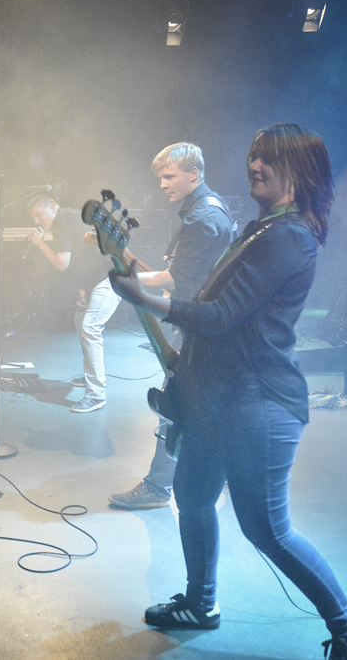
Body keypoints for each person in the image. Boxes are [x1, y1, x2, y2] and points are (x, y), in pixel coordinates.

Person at [108, 124, 347, 660]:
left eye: (270, 158)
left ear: (298, 172)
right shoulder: (262, 228)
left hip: (258, 401)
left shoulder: (288, 235)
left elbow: (221, 315)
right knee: (191, 495)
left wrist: (147, 299)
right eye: (253, 155)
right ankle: (200, 603)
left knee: (267, 528)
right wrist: (145, 284)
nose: (254, 164)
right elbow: (211, 296)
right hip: (218, 396)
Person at [109, 142, 235, 510]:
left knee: (173, 406)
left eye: (169, 176)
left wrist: (129, 283)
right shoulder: (208, 208)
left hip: (201, 329)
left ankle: (157, 488)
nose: (162, 184)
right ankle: (210, 477)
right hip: (209, 326)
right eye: (160, 177)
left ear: (193, 174)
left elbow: (176, 281)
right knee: (195, 407)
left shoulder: (202, 220)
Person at [28, 196, 118, 412]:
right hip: (97, 279)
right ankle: (90, 377)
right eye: (33, 218)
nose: (37, 221)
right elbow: (85, 257)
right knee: (81, 319)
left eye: (38, 215)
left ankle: (96, 395)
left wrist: (40, 244)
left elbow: (62, 263)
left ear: (52, 206)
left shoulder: (61, 221)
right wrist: (83, 287)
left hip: (109, 279)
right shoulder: (69, 216)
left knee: (89, 327)